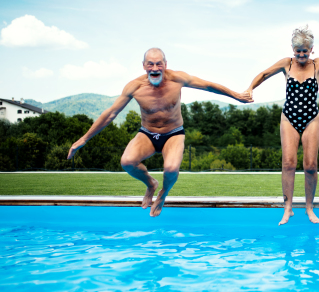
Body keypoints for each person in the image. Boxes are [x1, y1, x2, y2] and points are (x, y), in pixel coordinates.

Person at [67, 48, 252, 216]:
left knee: (171, 169)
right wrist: (83, 139)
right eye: (150, 64)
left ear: (165, 65)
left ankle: (163, 192)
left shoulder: (178, 79)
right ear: (144, 66)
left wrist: (236, 95)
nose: (155, 68)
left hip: (173, 133)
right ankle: (150, 184)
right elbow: (110, 114)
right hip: (147, 134)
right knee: (127, 162)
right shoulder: (135, 87)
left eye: (159, 63)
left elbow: (208, 85)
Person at [245, 26, 319, 225]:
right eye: (298, 50)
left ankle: (309, 208)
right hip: (289, 118)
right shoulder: (287, 63)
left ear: (311, 49)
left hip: (311, 118)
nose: (301, 54)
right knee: (288, 163)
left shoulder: (317, 65)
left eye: (305, 50)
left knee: (310, 165)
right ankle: (288, 208)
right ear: (292, 49)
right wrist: (250, 88)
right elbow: (264, 74)